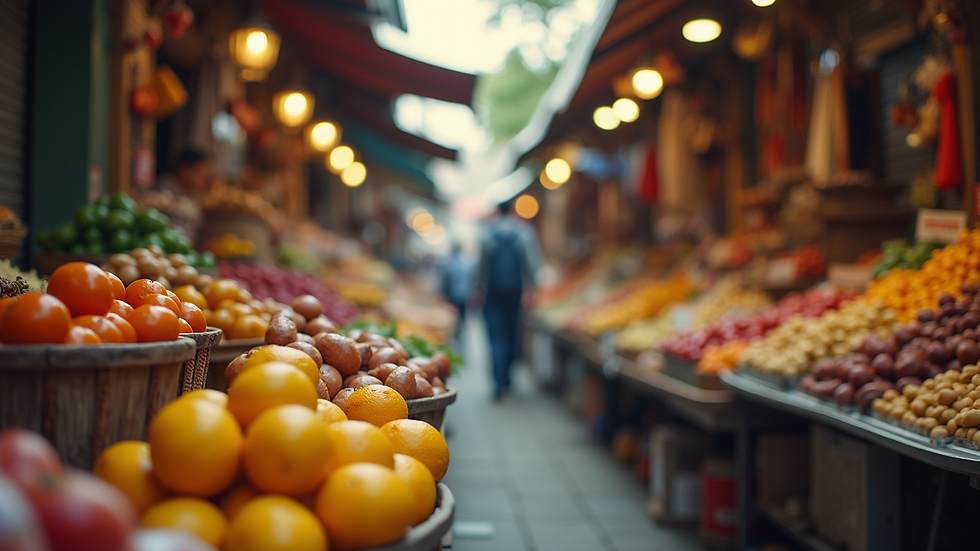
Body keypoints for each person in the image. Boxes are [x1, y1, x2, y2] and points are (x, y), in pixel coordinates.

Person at [475, 200, 541, 400]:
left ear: (497, 211)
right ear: (513, 210)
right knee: (513, 335)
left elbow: (480, 267)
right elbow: (533, 265)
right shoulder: (524, 232)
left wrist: (477, 290)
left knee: (496, 337)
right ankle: (509, 378)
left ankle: (498, 382)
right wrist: (533, 289)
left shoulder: (488, 233)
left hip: (492, 294)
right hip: (515, 293)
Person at [439, 243, 475, 342]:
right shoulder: (465, 264)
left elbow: (445, 281)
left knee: (452, 316)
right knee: (461, 317)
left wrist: (443, 295)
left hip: (452, 295)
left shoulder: (448, 264)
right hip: (464, 295)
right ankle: (459, 334)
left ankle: (454, 335)